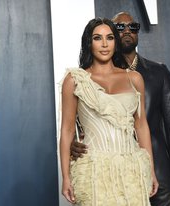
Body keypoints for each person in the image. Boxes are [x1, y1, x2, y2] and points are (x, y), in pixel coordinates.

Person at [71, 12, 170, 206]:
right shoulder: (89, 76)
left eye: (133, 27)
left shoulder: (158, 72)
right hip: (110, 169)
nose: (127, 31)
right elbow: (82, 121)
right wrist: (74, 143)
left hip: (156, 168)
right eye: (120, 27)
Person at [59, 17, 158, 206]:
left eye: (110, 38)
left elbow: (141, 125)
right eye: (97, 38)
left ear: (116, 42)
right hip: (94, 172)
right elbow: (67, 130)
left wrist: (151, 170)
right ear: (89, 42)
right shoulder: (75, 80)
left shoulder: (134, 78)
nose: (104, 44)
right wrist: (66, 177)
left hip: (132, 170)